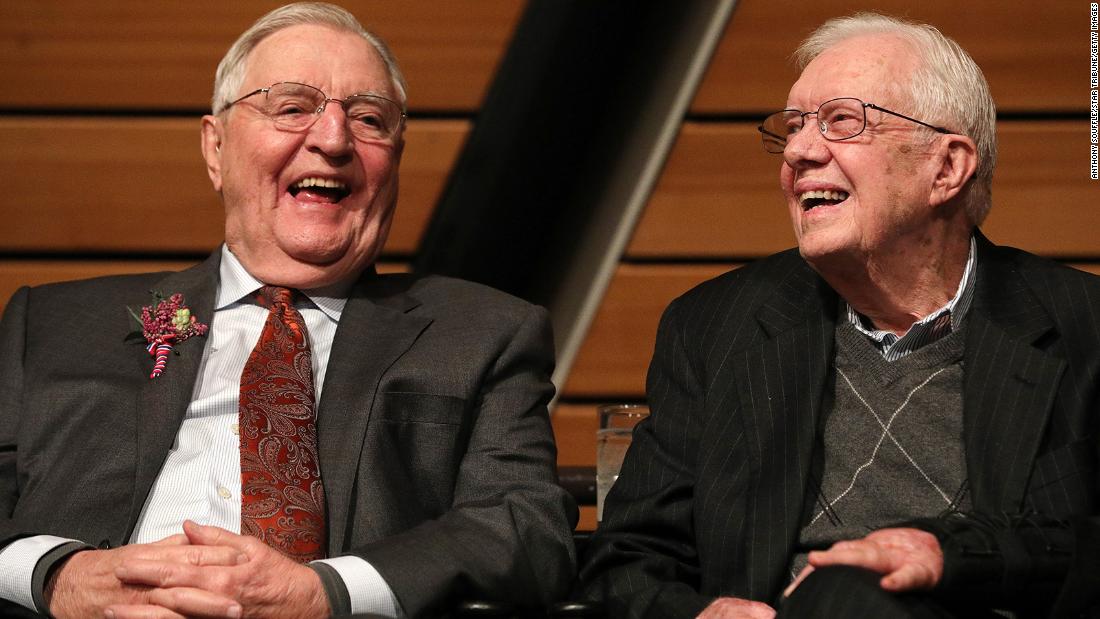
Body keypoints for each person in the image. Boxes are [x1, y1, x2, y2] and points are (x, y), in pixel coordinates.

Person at [0, 3, 577, 618]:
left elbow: (526, 528)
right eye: (293, 108)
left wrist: (321, 594)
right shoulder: (56, 325)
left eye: (368, 118)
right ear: (215, 148)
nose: (332, 140)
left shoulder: (482, 333)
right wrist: (59, 578)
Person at [579, 12, 1099, 619]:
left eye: (841, 122)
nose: (798, 152)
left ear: (947, 168)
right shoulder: (714, 326)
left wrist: (949, 555)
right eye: (794, 127)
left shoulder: (1081, 327)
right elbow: (629, 558)